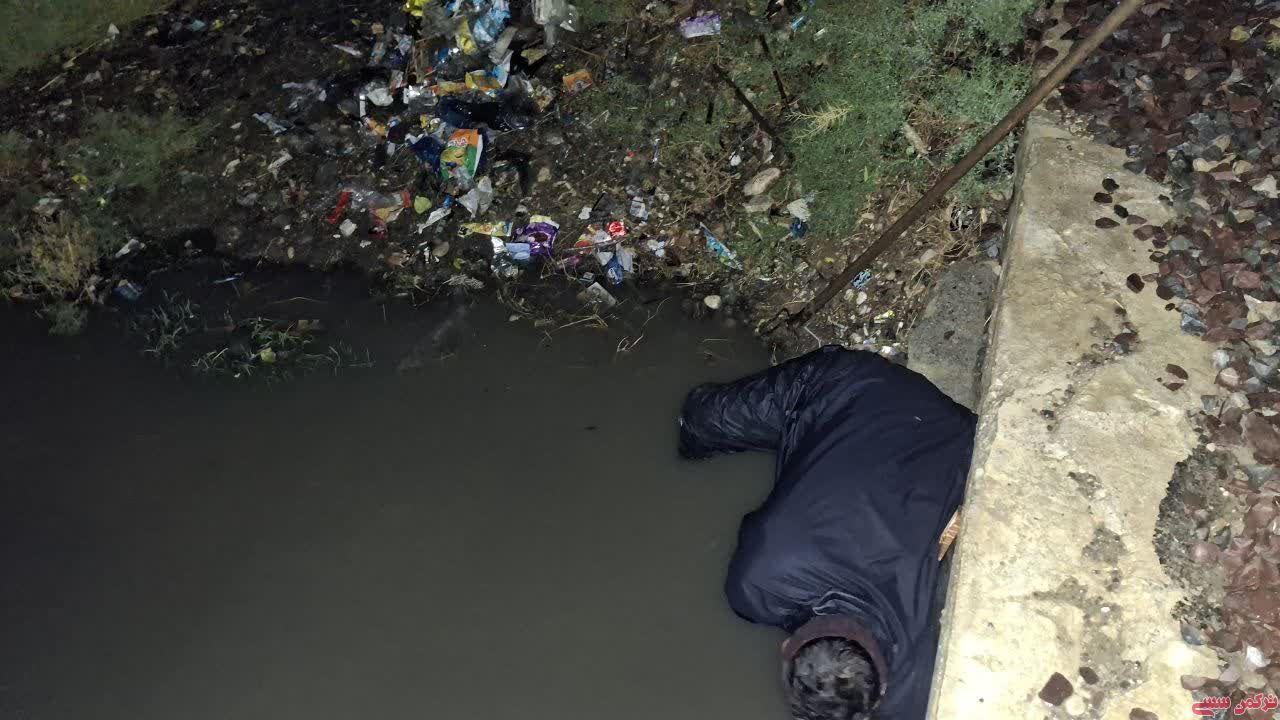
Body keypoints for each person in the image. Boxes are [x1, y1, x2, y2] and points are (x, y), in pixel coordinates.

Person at [678, 346, 975, 720]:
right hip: (847, 387)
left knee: (704, 423)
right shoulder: (756, 584)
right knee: (700, 420)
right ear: (786, 647)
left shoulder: (914, 679)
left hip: (948, 430)